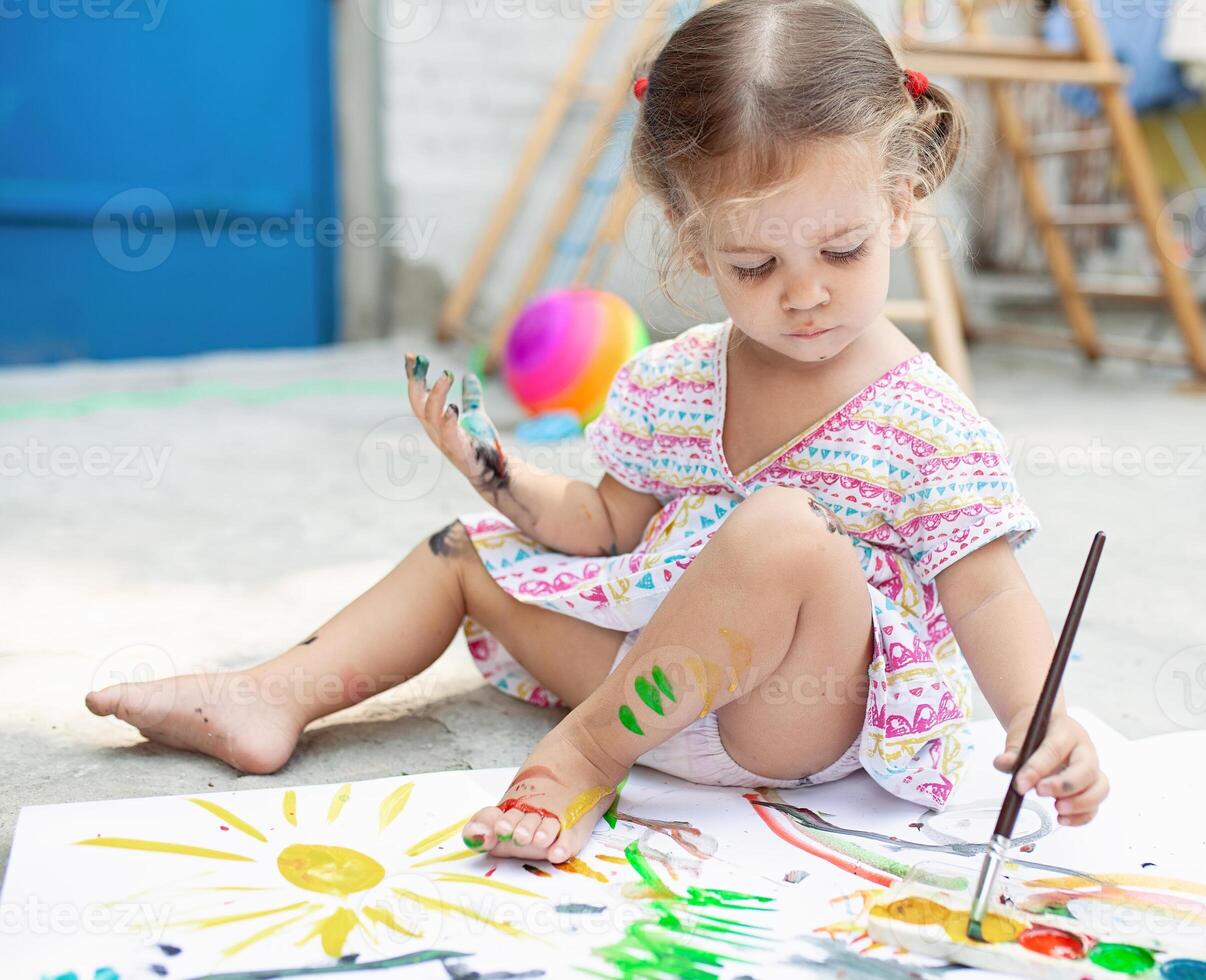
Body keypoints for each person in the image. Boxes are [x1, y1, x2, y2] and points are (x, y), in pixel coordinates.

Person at [86, 0, 1108, 865]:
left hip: (792, 716)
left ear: (898, 203)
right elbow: (609, 528)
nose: (803, 294)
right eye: (755, 266)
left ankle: (579, 760)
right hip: (654, 683)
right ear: (693, 241)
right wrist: (499, 475)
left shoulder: (927, 419)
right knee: (460, 554)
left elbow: (985, 587)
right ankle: (273, 694)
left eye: (839, 249)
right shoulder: (675, 379)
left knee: (785, 531)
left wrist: (1037, 712)